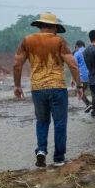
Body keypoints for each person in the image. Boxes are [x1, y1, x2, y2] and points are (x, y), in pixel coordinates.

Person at [13, 12, 81, 167]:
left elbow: (17, 65)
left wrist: (17, 86)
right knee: (60, 123)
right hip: (57, 87)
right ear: (54, 27)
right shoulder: (59, 41)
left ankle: (41, 150)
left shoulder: (27, 41)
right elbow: (73, 65)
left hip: (37, 89)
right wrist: (80, 85)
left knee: (42, 121)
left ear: (40, 26)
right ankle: (58, 158)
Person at [73, 40, 95, 115]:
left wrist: (73, 78)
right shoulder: (90, 51)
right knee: (94, 93)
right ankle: (94, 112)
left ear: (77, 46)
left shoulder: (77, 53)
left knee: (79, 90)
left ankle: (88, 103)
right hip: (92, 74)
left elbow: (74, 66)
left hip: (82, 76)